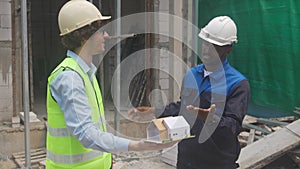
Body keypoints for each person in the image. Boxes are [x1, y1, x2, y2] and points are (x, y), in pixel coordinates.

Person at [46, 0, 176, 169]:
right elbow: (86, 134)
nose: (106, 36)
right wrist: (136, 146)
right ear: (85, 36)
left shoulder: (86, 73)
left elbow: (95, 129)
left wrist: (106, 159)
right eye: (101, 31)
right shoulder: (70, 78)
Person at [129, 16, 250, 169]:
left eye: (214, 45)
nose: (207, 50)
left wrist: (209, 118)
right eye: (205, 43)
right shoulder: (192, 74)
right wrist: (154, 111)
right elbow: (182, 107)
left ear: (228, 48)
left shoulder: (237, 84)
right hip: (187, 159)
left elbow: (232, 127)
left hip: (217, 163)